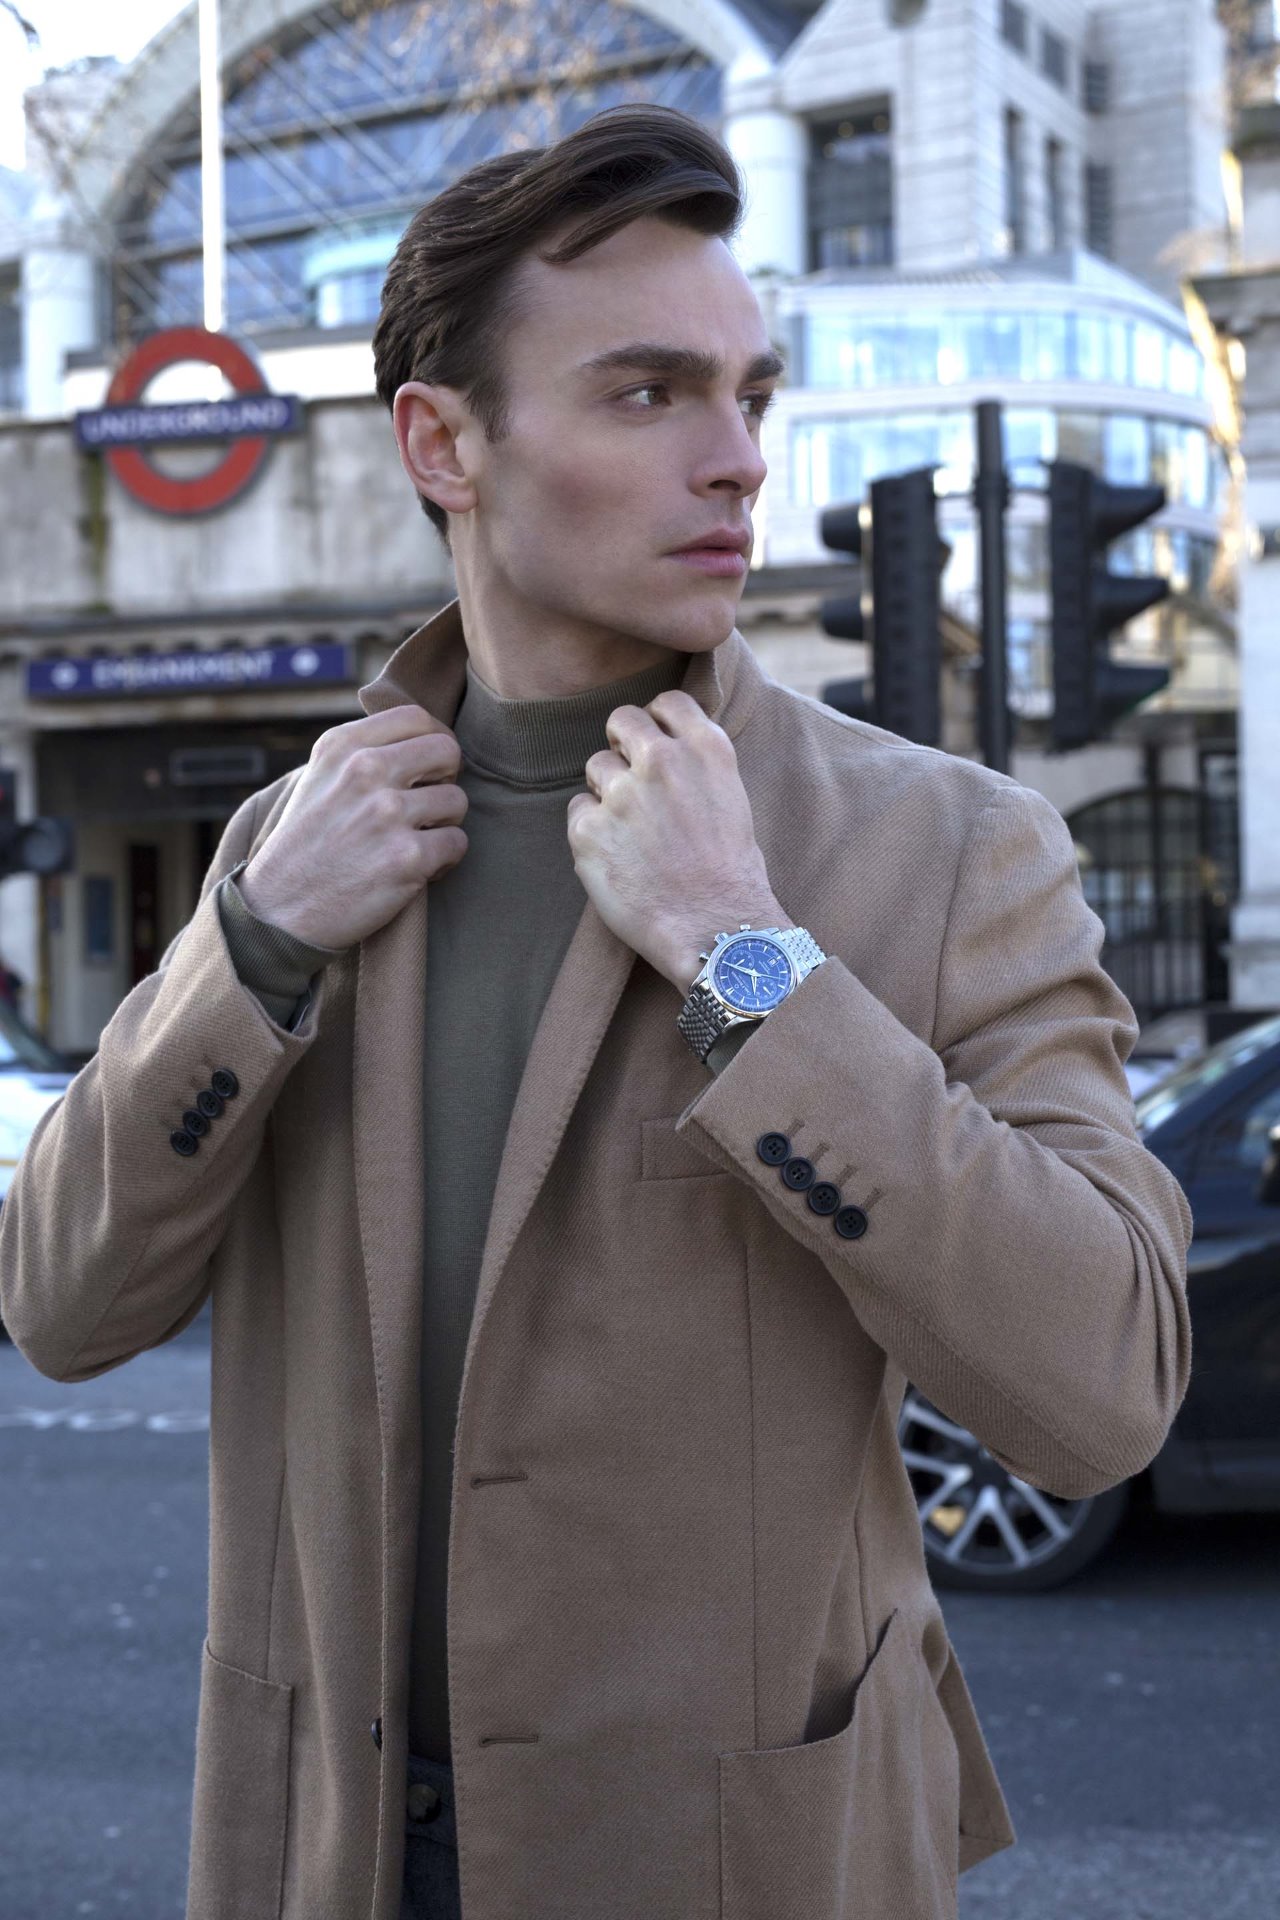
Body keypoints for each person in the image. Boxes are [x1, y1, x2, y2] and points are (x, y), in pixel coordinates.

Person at [0, 104, 1193, 1920]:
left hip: (728, 1860)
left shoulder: (943, 849)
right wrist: (252, 947)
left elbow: (1106, 1390)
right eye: (649, 394)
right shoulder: (290, 847)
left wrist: (746, 960)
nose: (738, 462)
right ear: (444, 443)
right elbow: (61, 1304)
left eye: (750, 396)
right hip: (326, 1851)